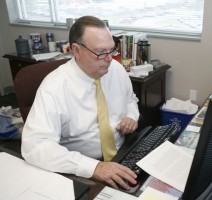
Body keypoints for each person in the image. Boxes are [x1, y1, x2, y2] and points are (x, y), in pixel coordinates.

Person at [21, 16, 139, 190]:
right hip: (80, 169)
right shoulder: (54, 87)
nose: (109, 59)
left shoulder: (116, 69)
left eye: (111, 50)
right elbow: (35, 146)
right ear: (76, 50)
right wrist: (93, 167)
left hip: (122, 153)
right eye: (100, 52)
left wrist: (131, 116)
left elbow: (130, 99)